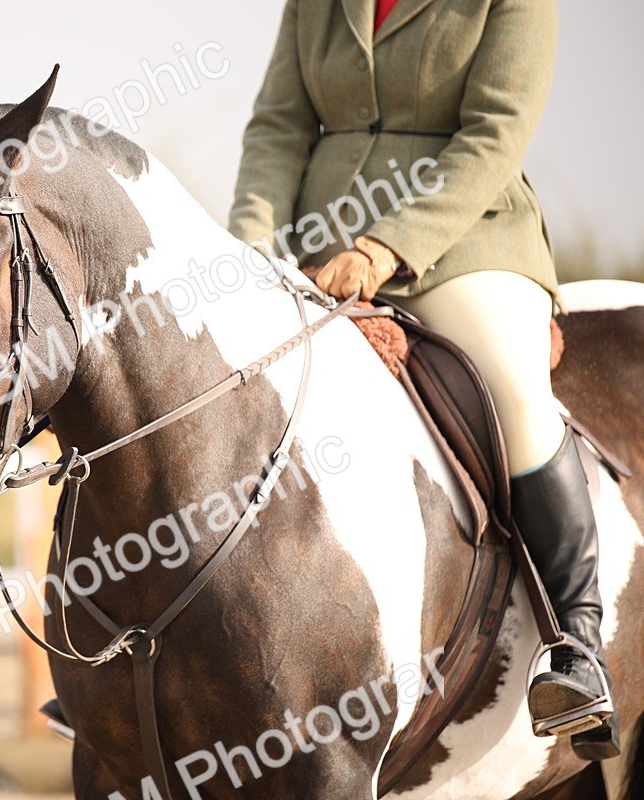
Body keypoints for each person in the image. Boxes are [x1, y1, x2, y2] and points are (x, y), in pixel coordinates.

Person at [228, 0, 617, 759]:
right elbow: (279, 124)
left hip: (462, 239)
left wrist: (385, 247)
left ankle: (578, 643)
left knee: (513, 390)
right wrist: (245, 248)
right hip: (319, 241)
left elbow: (495, 132)